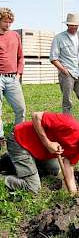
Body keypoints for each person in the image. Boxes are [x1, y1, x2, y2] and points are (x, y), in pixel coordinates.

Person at [1, 111, 79, 194]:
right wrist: (48, 143)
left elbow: (68, 167)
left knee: (55, 170)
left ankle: (9, 161)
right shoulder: (70, 125)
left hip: (38, 152)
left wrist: (73, 192)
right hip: (20, 140)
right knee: (33, 188)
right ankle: (4, 177)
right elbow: (36, 116)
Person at [50, 13, 79, 125]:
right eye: (71, 25)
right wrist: (64, 71)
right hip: (67, 74)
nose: (73, 27)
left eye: (76, 25)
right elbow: (53, 58)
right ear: (67, 24)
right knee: (67, 102)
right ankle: (67, 127)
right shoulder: (59, 38)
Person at [0, 8, 26, 148]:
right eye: (5, 21)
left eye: (10, 22)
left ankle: (18, 135)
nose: (8, 24)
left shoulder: (15, 35)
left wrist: (18, 74)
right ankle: (0, 137)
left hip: (12, 78)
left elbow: (21, 57)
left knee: (21, 108)